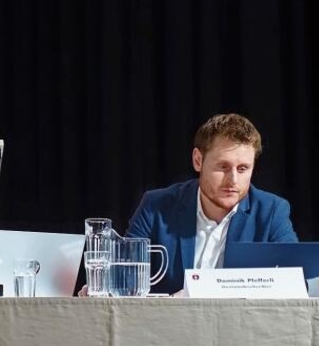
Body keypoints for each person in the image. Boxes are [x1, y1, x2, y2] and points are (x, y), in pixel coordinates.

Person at [125, 112, 298, 295]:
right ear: (198, 160)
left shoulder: (271, 211)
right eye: (223, 167)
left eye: (243, 169)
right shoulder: (156, 206)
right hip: (168, 322)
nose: (233, 180)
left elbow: (294, 282)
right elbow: (123, 277)